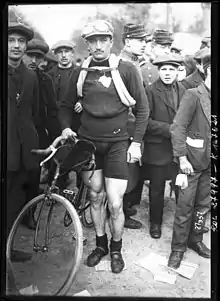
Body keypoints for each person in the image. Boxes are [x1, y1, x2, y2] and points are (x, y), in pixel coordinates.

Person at [59, 19, 149, 273]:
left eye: (103, 40)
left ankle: (117, 248)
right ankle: (100, 245)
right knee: (95, 196)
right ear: (87, 45)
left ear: (111, 42)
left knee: (115, 203)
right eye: (92, 41)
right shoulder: (81, 72)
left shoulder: (127, 69)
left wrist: (137, 143)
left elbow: (142, 109)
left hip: (118, 143)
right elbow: (65, 105)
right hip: (89, 143)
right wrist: (66, 127)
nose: (98, 45)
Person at [168, 52, 211, 269]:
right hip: (190, 163)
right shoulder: (194, 95)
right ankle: (177, 249)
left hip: (209, 166)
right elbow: (178, 127)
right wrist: (182, 157)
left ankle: (196, 240)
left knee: (203, 207)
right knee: (185, 207)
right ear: (209, 71)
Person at [142, 53, 186, 239]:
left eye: (172, 69)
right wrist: (171, 129)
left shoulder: (184, 90)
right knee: (157, 188)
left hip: (178, 149)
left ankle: (184, 223)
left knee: (182, 186)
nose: (168, 73)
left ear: (177, 71)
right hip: (158, 147)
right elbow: (145, 121)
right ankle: (156, 223)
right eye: (164, 69)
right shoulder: (150, 91)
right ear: (158, 71)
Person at [8, 21, 39, 261]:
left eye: (21, 41)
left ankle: (7, 250)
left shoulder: (30, 76)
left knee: (13, 207)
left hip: (22, 155)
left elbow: (33, 115)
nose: (16, 46)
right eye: (10, 40)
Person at [119, 23, 150, 229]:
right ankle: (119, 211)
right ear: (128, 41)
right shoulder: (121, 64)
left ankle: (125, 206)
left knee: (133, 171)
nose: (144, 45)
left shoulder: (137, 63)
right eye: (140, 41)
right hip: (125, 126)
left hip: (136, 123)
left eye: (145, 41)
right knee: (124, 173)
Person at [23, 38, 61, 190]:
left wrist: (56, 137)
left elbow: (52, 110)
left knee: (33, 176)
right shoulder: (11, 75)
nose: (33, 60)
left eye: (38, 57)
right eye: (29, 55)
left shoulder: (46, 80)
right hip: (13, 134)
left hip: (37, 134)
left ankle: (30, 211)